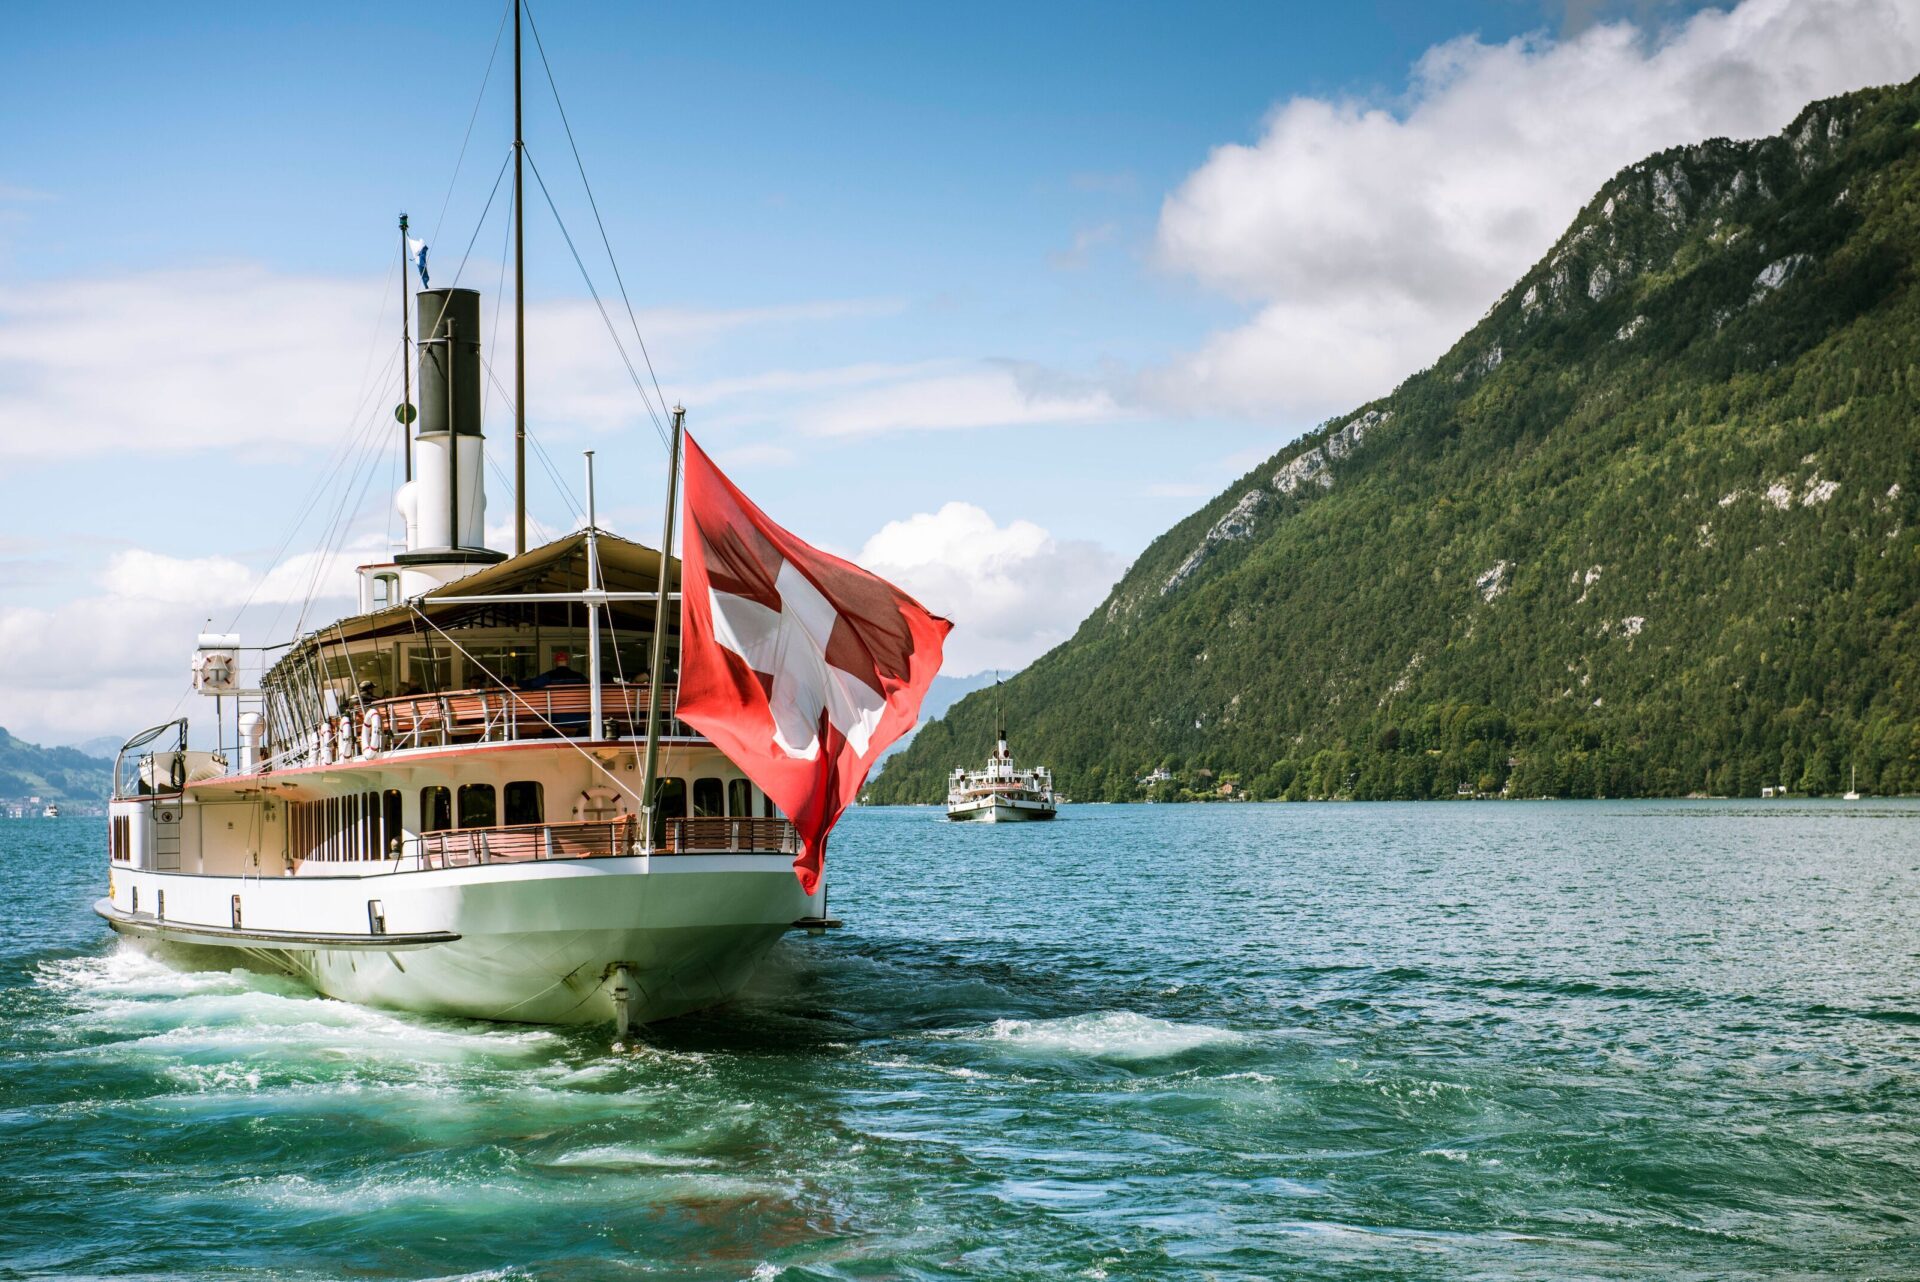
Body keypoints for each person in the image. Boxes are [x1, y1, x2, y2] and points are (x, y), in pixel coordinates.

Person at [522, 650, 588, 689]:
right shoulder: (579, 676)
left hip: (555, 710)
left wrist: (521, 681)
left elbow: (532, 684)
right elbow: (589, 686)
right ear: (567, 661)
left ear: (555, 662)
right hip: (577, 709)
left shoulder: (549, 676)